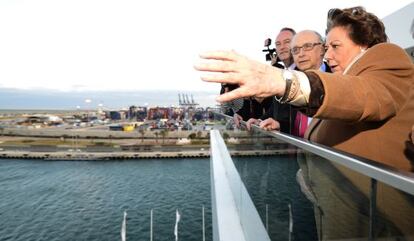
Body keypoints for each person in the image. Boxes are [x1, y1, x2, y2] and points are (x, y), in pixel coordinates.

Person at [195, 6, 414, 239]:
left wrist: (283, 82)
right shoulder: (344, 78)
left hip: (377, 226)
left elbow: (363, 96)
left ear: (364, 45)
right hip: (342, 216)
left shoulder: (389, 59)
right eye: (327, 47)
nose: (328, 56)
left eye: (335, 47)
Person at [246, 28, 298, 133]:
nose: (282, 47)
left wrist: (280, 125)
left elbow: (301, 118)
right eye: (278, 44)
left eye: (287, 42)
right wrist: (260, 120)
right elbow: (275, 108)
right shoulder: (282, 74)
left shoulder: (305, 75)